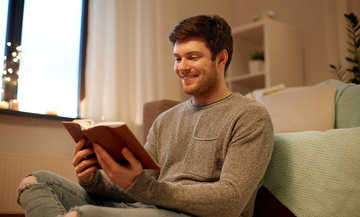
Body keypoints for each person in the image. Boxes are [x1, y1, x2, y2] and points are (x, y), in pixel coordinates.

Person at [17, 15, 274, 217]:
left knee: (81, 215)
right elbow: (139, 186)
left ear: (221, 58)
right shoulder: (166, 120)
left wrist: (145, 189)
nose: (181, 67)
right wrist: (92, 179)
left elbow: (230, 202)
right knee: (37, 181)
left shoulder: (250, 116)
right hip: (148, 210)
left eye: (192, 57)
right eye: (177, 58)